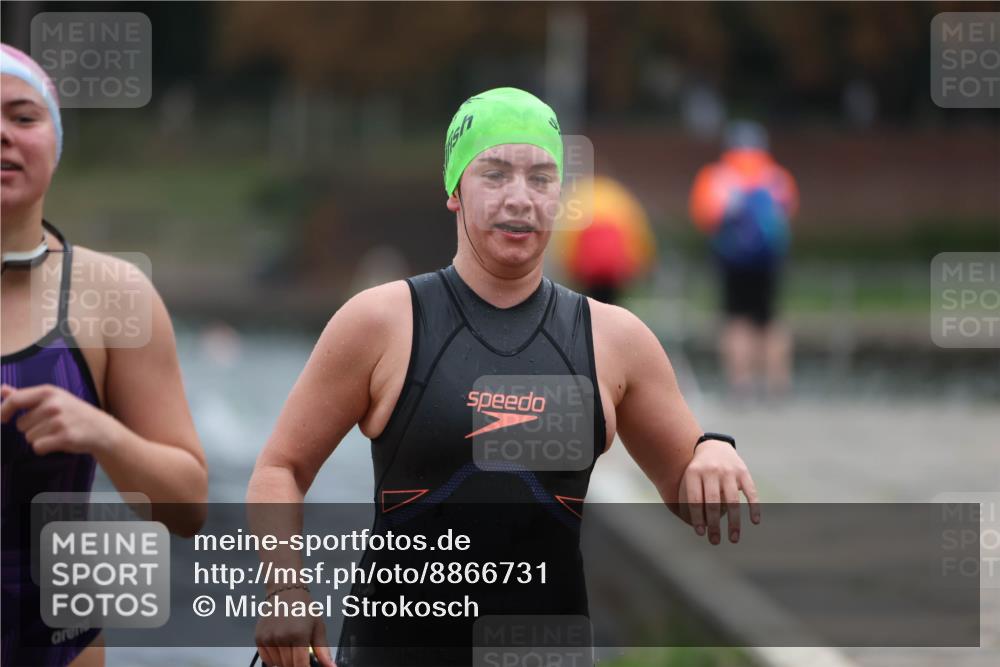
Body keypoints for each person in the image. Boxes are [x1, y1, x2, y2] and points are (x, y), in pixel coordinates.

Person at [249, 87, 759, 667]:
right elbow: (280, 468)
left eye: (541, 178)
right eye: (494, 174)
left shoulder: (614, 340)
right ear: (454, 191)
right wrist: (285, 588)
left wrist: (711, 452)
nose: (519, 198)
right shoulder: (380, 323)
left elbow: (687, 487)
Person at [0, 44, 208, 667]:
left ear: (55, 143)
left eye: (24, 117)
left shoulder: (112, 295)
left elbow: (188, 506)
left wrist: (102, 433)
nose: (4, 136)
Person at [689, 120, 799, 397]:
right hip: (769, 261)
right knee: (770, 319)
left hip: (732, 261)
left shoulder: (717, 176)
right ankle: (777, 383)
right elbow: (788, 212)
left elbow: (705, 216)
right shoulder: (776, 176)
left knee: (735, 319)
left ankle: (741, 384)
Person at [555, 175, 656, 305]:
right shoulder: (619, 198)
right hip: (615, 276)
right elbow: (639, 237)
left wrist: (567, 271)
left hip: (586, 275)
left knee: (587, 310)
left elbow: (565, 243)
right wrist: (643, 266)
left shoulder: (579, 198)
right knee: (613, 310)